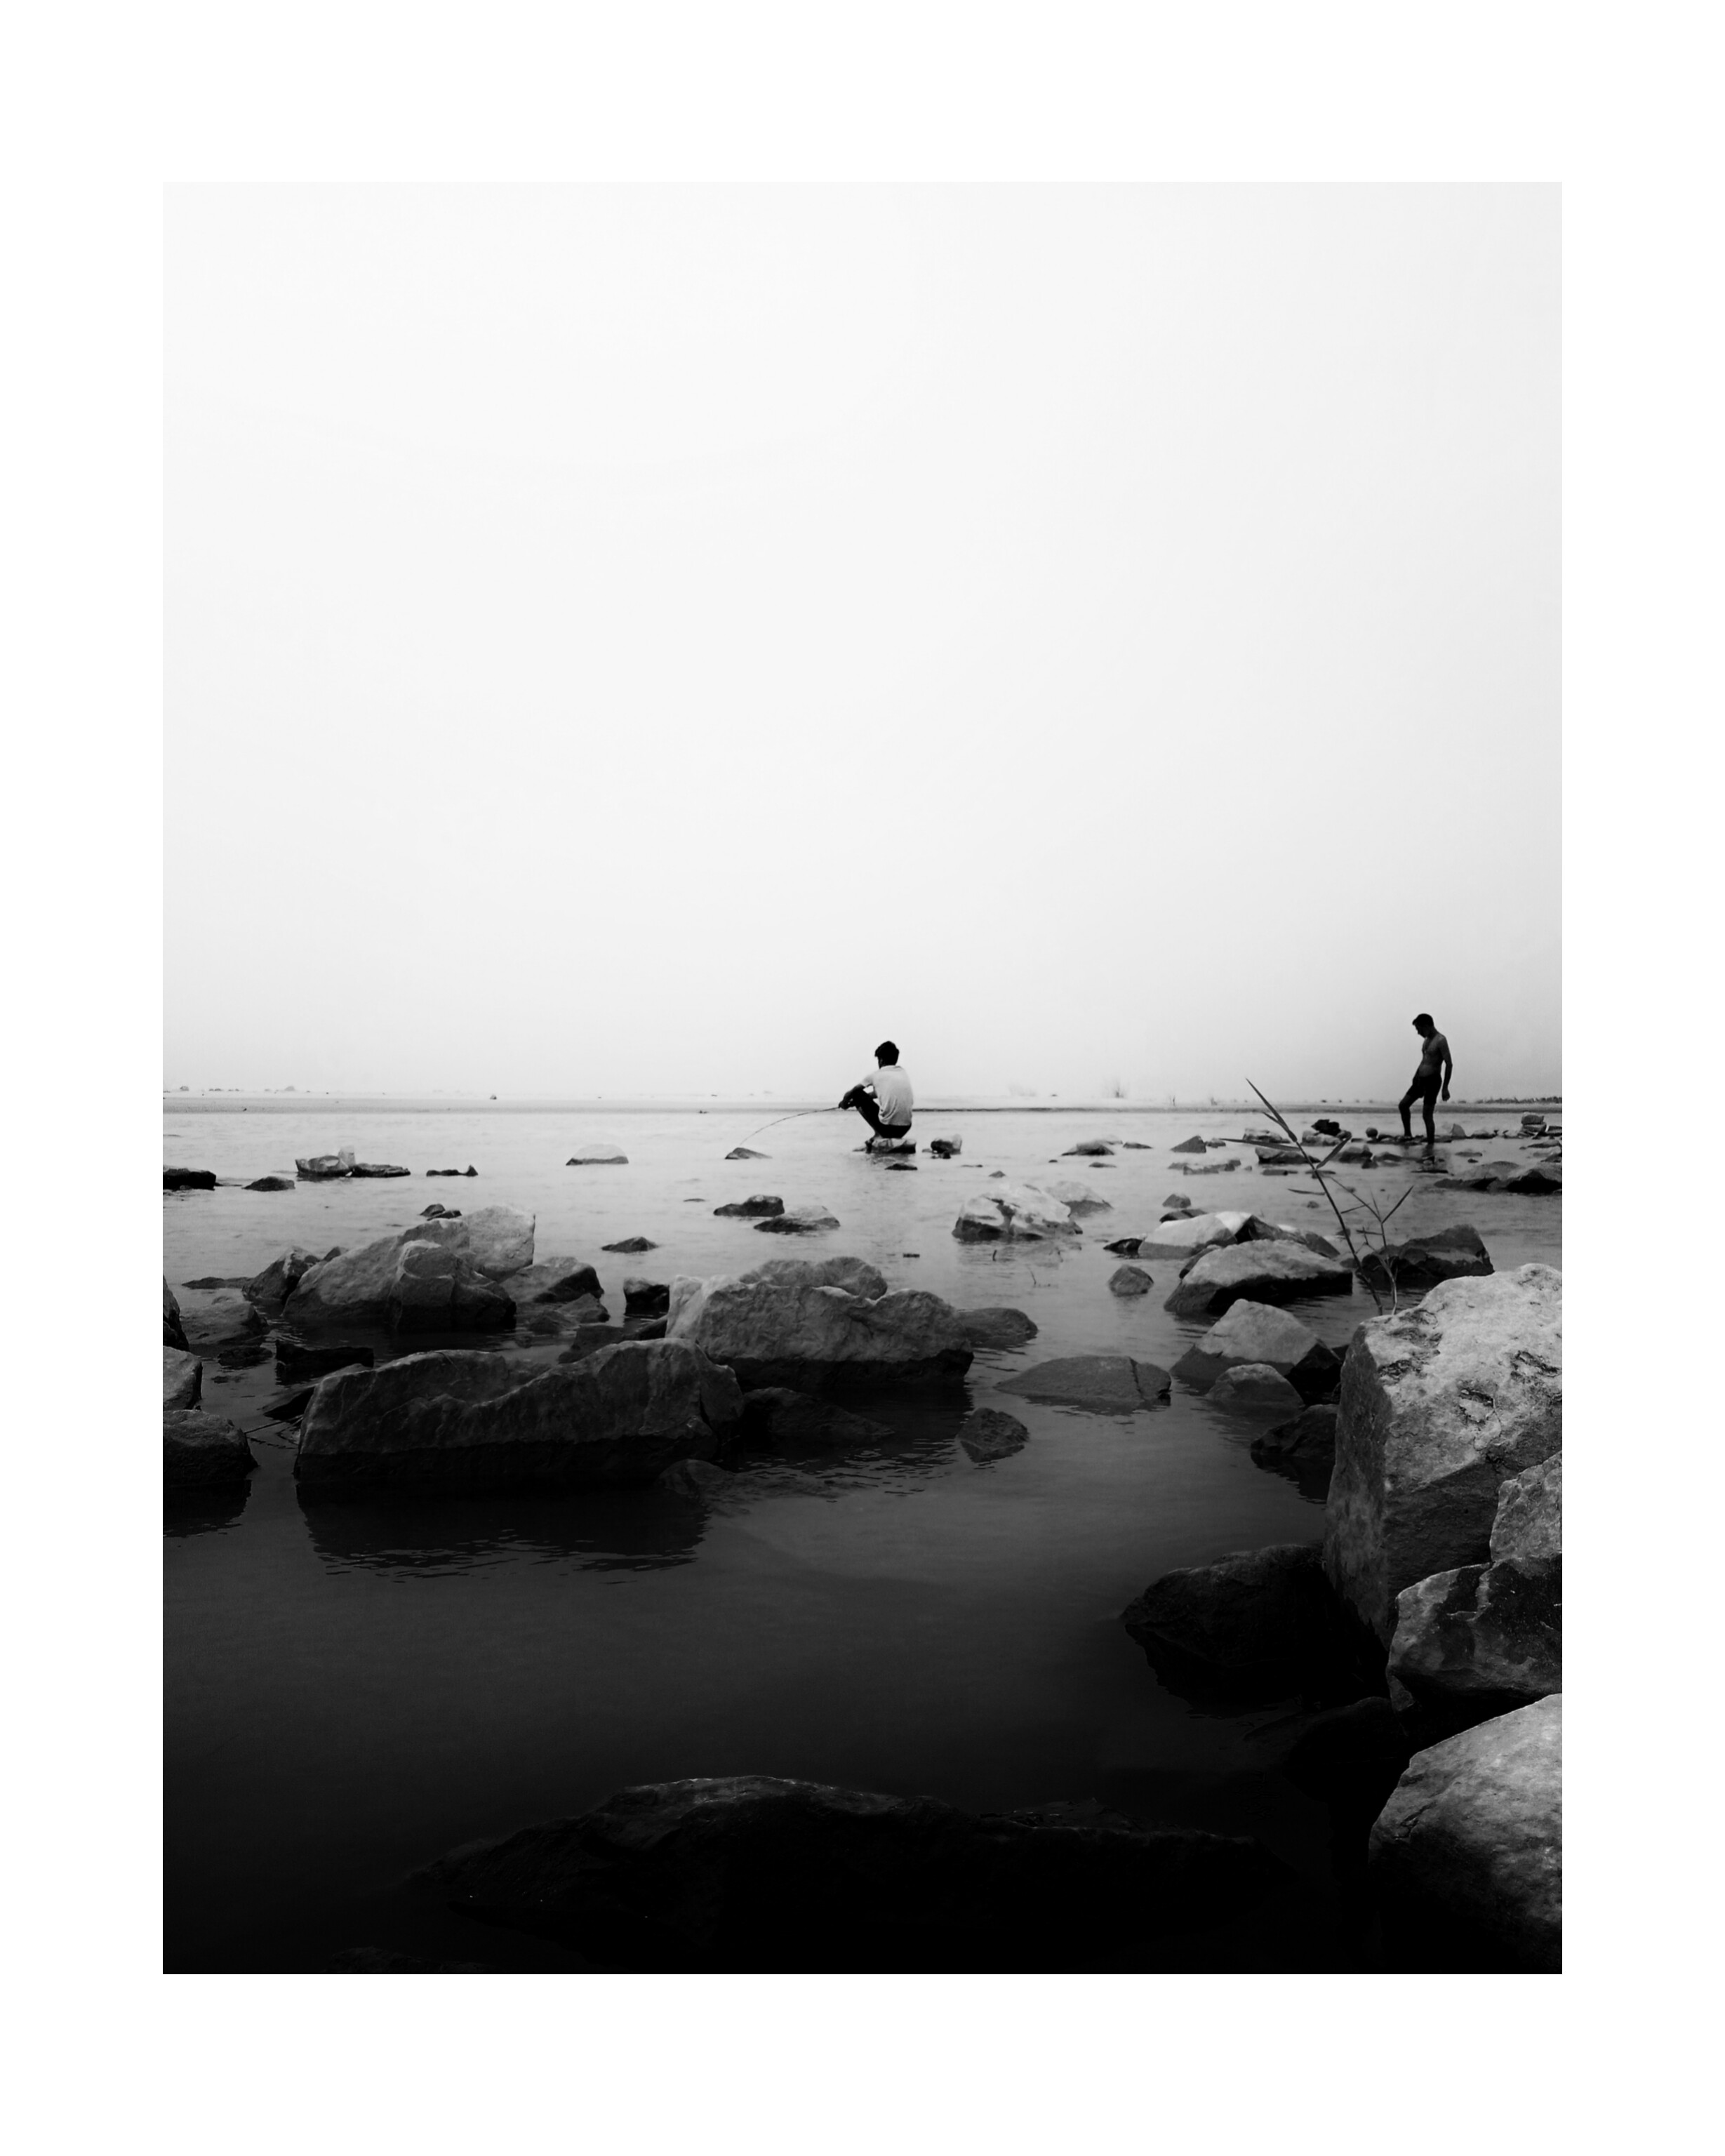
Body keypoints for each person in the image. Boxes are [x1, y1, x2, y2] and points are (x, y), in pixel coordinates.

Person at [839, 1042, 914, 1145]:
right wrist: (854, 1102)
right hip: (905, 1128)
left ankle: (879, 1134)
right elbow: (877, 1094)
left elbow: (852, 1092)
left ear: (881, 1060)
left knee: (857, 1094)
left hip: (887, 1128)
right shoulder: (902, 1073)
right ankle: (882, 1134)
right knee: (860, 1097)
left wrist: (844, 1103)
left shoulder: (876, 1075)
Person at [1399, 1013, 1453, 1150]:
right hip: (1420, 1080)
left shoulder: (1441, 1040)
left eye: (1419, 1029)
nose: (1418, 1033)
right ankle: (1408, 1135)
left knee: (1427, 1115)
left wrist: (1445, 1087)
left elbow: (1449, 1064)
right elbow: (1424, 1060)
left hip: (1433, 1081)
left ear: (1427, 1026)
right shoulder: (1426, 1041)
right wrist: (1416, 1075)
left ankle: (1430, 1146)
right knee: (1403, 1105)